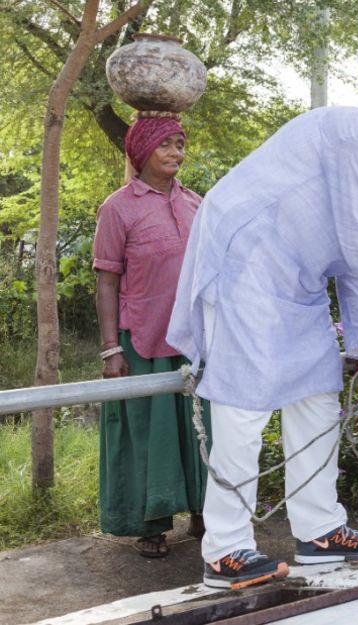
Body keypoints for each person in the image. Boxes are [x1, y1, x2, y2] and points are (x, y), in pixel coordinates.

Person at [166, 107, 358, 589]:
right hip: (248, 260)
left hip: (297, 278)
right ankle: (225, 550)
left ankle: (320, 533)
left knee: (317, 397)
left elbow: (354, 255)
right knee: (244, 406)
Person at [92, 113, 210, 558]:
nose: (176, 153)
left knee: (200, 432)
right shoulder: (118, 207)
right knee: (145, 433)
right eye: (166, 145)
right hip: (141, 341)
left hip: (192, 343)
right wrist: (111, 349)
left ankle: (204, 511)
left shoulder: (196, 203)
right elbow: (106, 281)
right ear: (141, 152)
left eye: (180, 144)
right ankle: (150, 525)